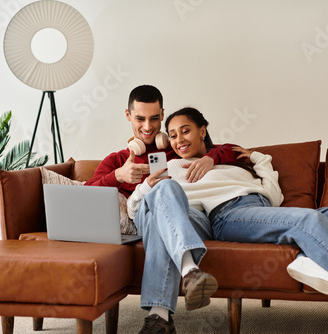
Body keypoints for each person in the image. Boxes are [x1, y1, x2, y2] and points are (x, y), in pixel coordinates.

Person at [128, 106, 328, 319]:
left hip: (258, 209)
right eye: (173, 135)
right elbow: (153, 207)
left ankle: (304, 262)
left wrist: (256, 158)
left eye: (186, 130)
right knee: (308, 218)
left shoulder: (235, 161)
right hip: (227, 216)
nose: (179, 140)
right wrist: (145, 188)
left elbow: (273, 197)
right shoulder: (172, 169)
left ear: (202, 130)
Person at [86, 85, 240, 334]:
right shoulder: (117, 161)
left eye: (155, 118)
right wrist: (118, 176)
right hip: (143, 220)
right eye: (140, 119)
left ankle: (159, 320)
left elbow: (230, 150)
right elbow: (86, 193)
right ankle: (190, 270)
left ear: (162, 115)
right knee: (160, 196)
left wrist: (211, 157)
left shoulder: (177, 146)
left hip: (187, 217)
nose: (148, 127)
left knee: (166, 190)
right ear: (128, 116)